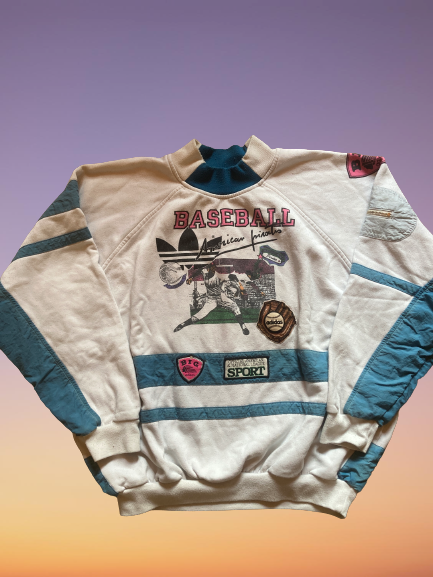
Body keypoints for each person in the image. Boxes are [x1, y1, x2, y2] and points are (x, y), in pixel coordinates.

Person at [173, 263, 253, 335]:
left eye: (212, 268)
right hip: (211, 300)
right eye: (208, 268)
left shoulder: (219, 276)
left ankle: (243, 326)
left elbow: (233, 277)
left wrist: (241, 289)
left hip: (220, 297)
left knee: (235, 307)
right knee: (201, 314)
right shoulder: (204, 272)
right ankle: (182, 324)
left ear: (214, 269)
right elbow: (199, 271)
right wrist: (191, 278)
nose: (209, 270)